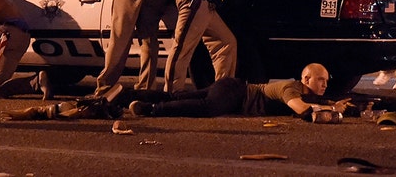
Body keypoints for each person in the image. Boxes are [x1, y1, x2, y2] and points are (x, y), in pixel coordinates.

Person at [129, 63, 343, 119]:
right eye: (320, 80)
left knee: (178, 96)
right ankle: (150, 109)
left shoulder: (305, 92)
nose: (324, 84)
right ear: (306, 79)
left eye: (326, 81)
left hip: (231, 88)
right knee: (207, 108)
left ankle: (132, 96)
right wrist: (331, 107)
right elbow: (302, 110)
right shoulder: (291, 89)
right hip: (235, 93)